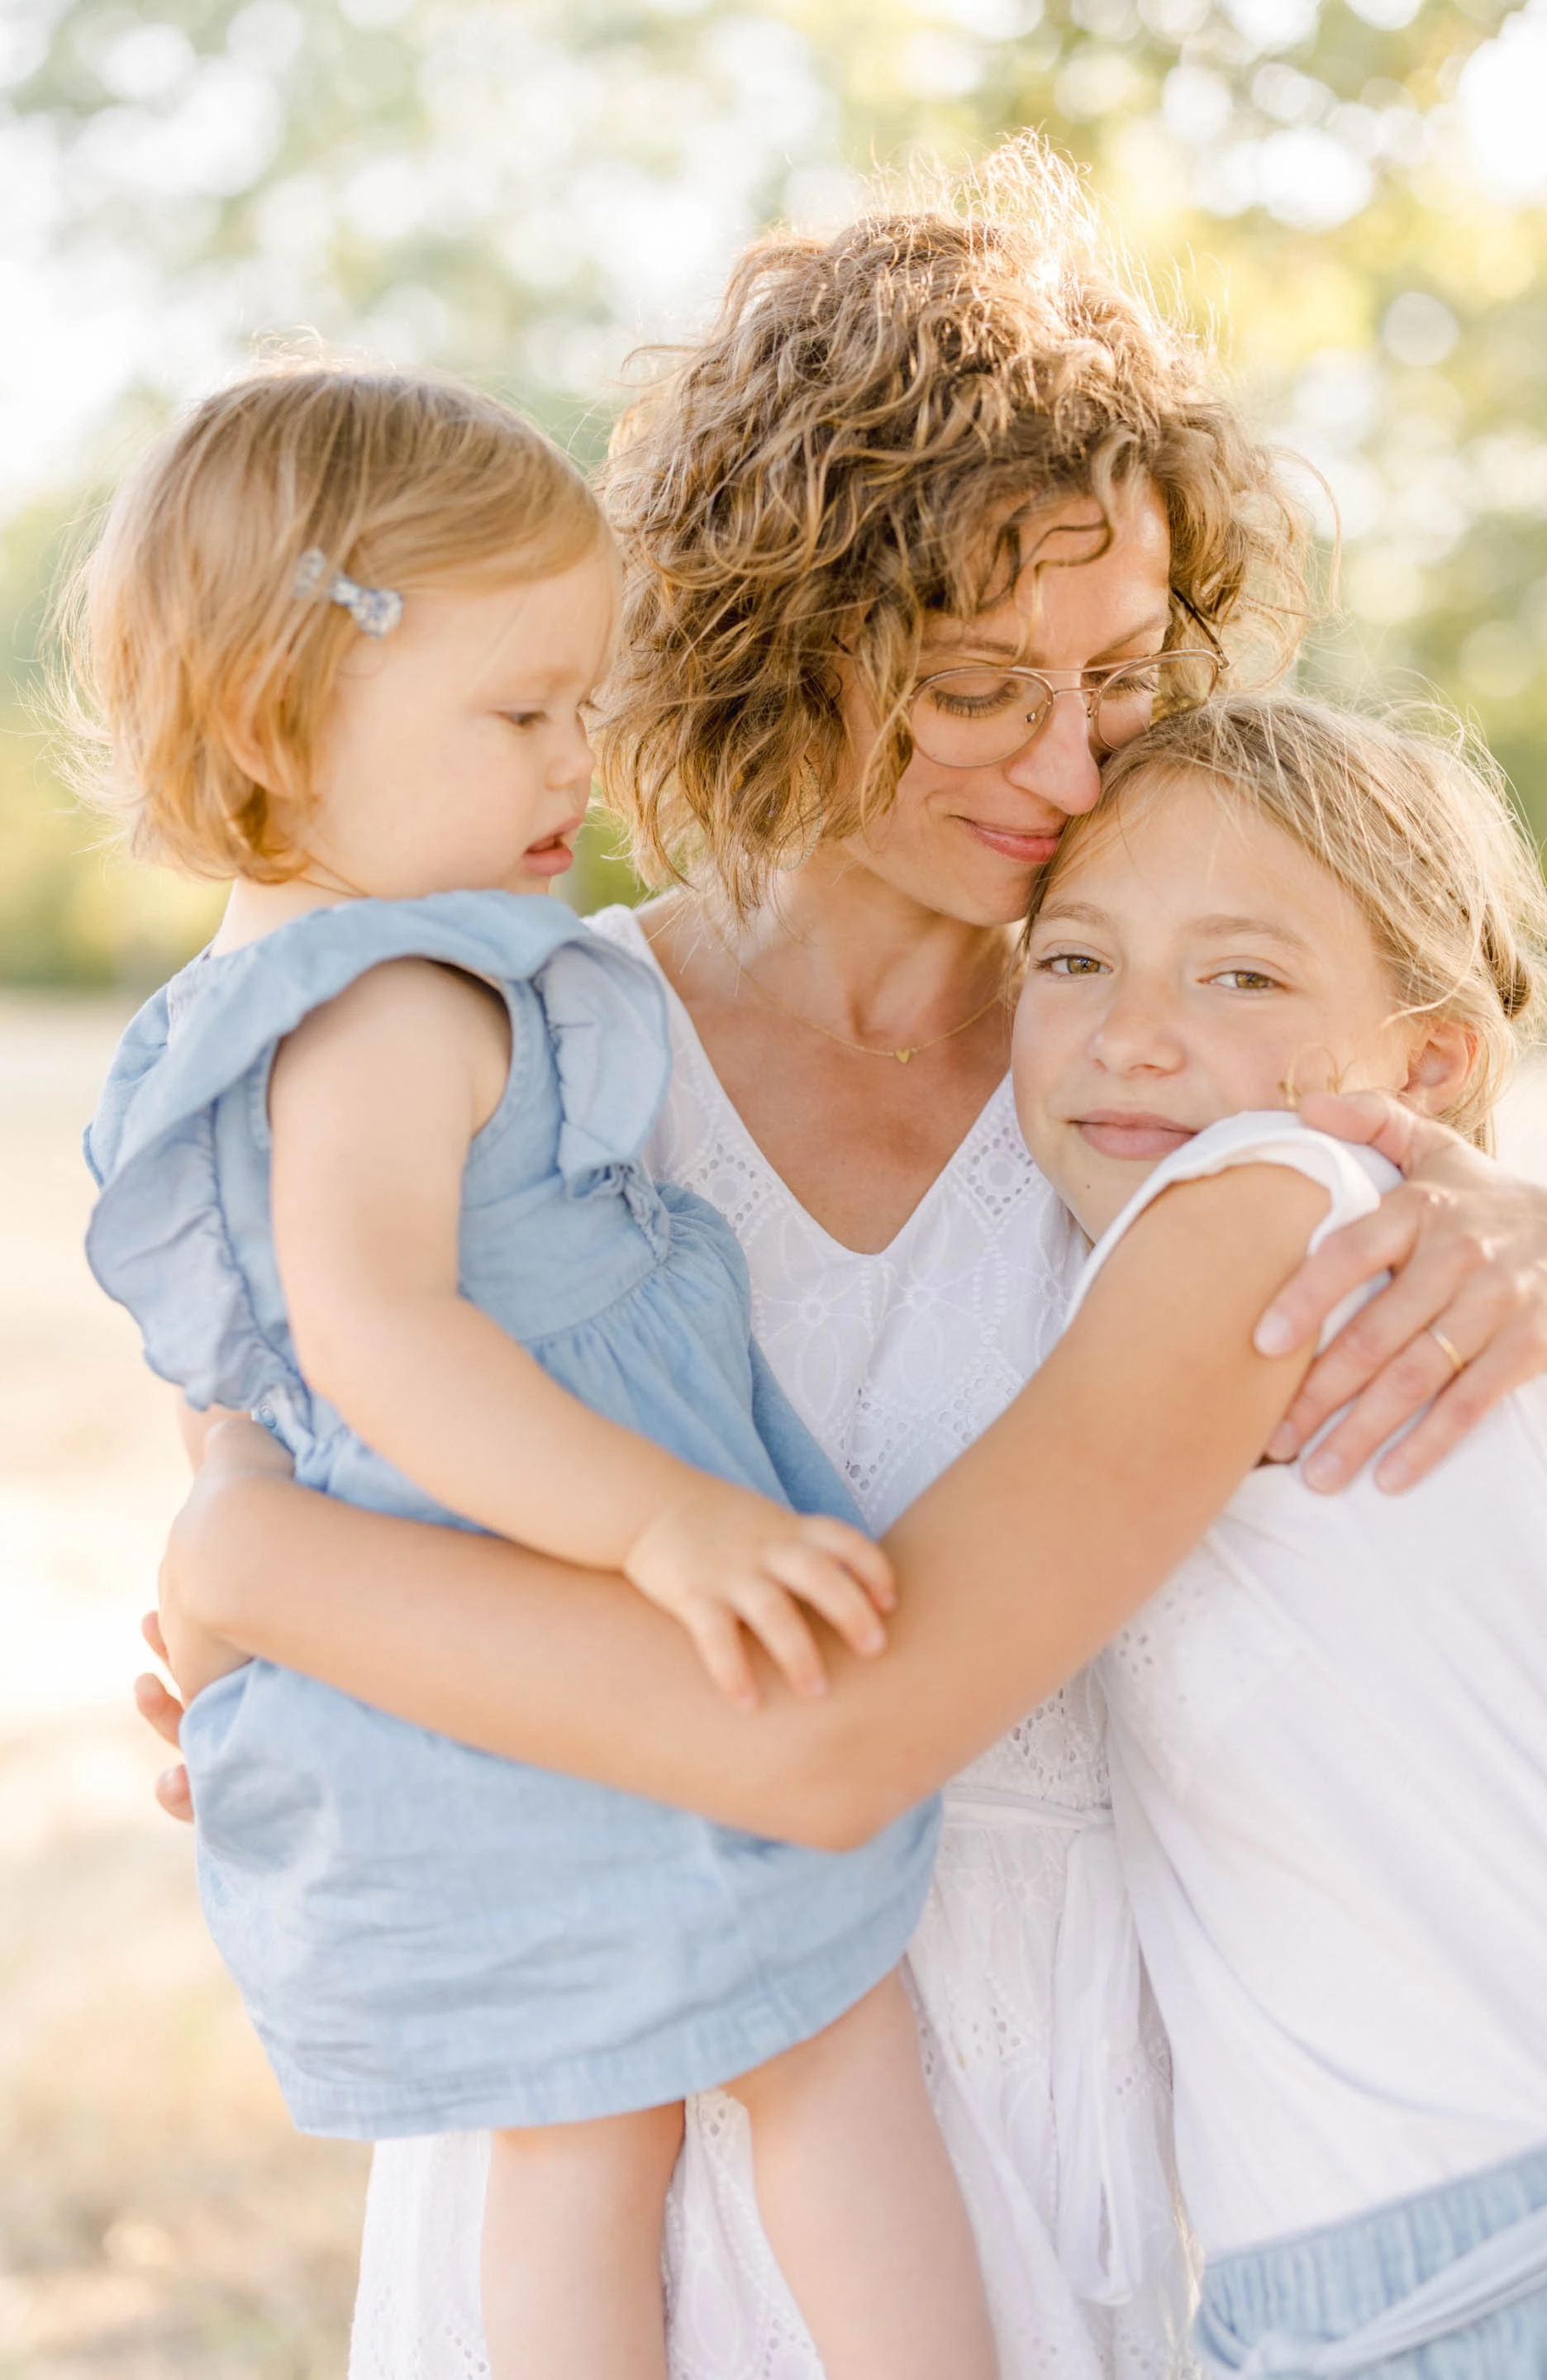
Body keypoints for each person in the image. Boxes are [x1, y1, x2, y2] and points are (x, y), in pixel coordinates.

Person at [138, 147, 1547, 2380]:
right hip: (588, 2131)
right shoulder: (493, 1041)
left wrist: (1545, 1238)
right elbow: (273, 1497)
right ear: (779, 636)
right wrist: (286, 1636)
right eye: (983, 683)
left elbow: (1396, 1362)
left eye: (1119, 674)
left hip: (1013, 2134)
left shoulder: (1149, 1084)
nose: (1075, 759)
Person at [78, 359, 996, 2380]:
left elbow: (238, 1383)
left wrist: (250, 1580)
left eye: (579, 704)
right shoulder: (394, 998)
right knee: (832, 2050)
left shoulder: (261, 999)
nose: (570, 761)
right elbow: (376, 1331)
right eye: (517, 714)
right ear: (276, 721)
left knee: (583, 2138)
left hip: (456, 1659)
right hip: (566, 1605)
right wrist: (667, 1516)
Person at [1011, 690, 1547, 2376]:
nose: (1132, 1035)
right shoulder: (1453, 1282)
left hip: (1465, 2261)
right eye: (1072, 962)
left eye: (1240, 975)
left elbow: (880, 1674)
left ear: (1427, 1063)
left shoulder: (1271, 1214)